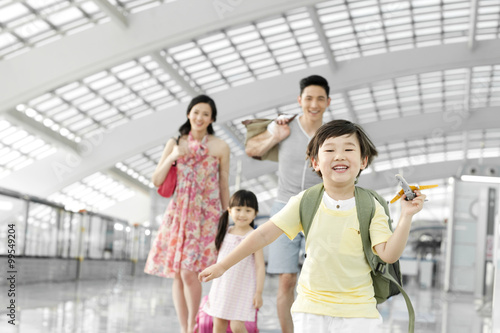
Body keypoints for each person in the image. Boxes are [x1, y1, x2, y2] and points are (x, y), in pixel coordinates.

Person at [199, 120, 426, 333]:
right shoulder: (305, 201)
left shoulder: (371, 205)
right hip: (311, 309)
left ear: (363, 161)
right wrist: (222, 266)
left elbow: (388, 254)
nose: (339, 156)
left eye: (349, 149)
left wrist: (406, 217)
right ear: (315, 162)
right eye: (329, 150)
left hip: (359, 312)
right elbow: (263, 235)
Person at [244, 74, 330, 333]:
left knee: (320, 279)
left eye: (320, 99)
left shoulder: (332, 133)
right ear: (299, 100)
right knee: (286, 280)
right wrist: (275, 135)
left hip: (321, 209)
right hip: (285, 207)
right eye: (308, 98)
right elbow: (252, 150)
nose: (313, 104)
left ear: (328, 102)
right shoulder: (284, 127)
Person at [145, 94, 230, 333]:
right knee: (178, 274)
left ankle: (194, 325)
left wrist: (227, 217)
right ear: (188, 114)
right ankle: (185, 328)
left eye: (206, 113)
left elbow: (223, 182)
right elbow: (156, 179)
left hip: (207, 216)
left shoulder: (220, 146)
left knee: (189, 272)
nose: (200, 117)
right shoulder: (175, 143)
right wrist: (173, 156)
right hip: (180, 214)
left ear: (212, 118)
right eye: (196, 112)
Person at [203, 189, 265, 333]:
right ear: (230, 211)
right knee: (218, 325)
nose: (242, 214)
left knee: (237, 327)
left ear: (255, 213)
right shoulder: (225, 233)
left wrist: (259, 292)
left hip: (243, 289)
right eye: (238, 209)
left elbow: (260, 266)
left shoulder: (255, 236)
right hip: (222, 288)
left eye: (248, 210)